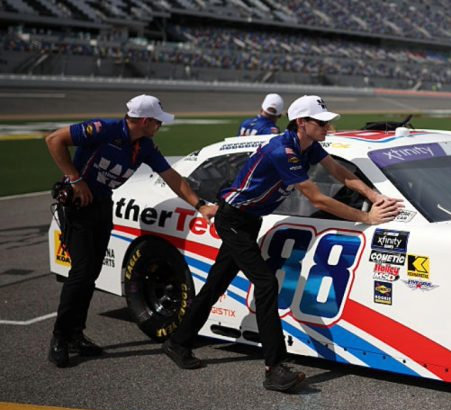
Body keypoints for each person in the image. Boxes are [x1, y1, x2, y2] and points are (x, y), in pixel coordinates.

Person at [162, 95, 403, 392]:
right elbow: (317, 198)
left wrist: (375, 197)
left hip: (249, 220)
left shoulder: (309, 145)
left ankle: (178, 342)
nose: (327, 127)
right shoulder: (283, 150)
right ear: (301, 122)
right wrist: (366, 218)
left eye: (327, 122)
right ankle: (274, 368)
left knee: (216, 284)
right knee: (266, 284)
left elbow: (340, 173)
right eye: (321, 123)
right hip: (233, 219)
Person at [45, 94, 218, 368]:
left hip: (103, 207)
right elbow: (54, 139)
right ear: (145, 121)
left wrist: (200, 205)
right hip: (78, 207)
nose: (160, 126)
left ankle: (76, 334)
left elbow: (172, 178)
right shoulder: (103, 129)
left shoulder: (144, 146)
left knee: (90, 274)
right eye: (158, 122)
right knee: (80, 273)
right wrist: (75, 179)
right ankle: (60, 337)